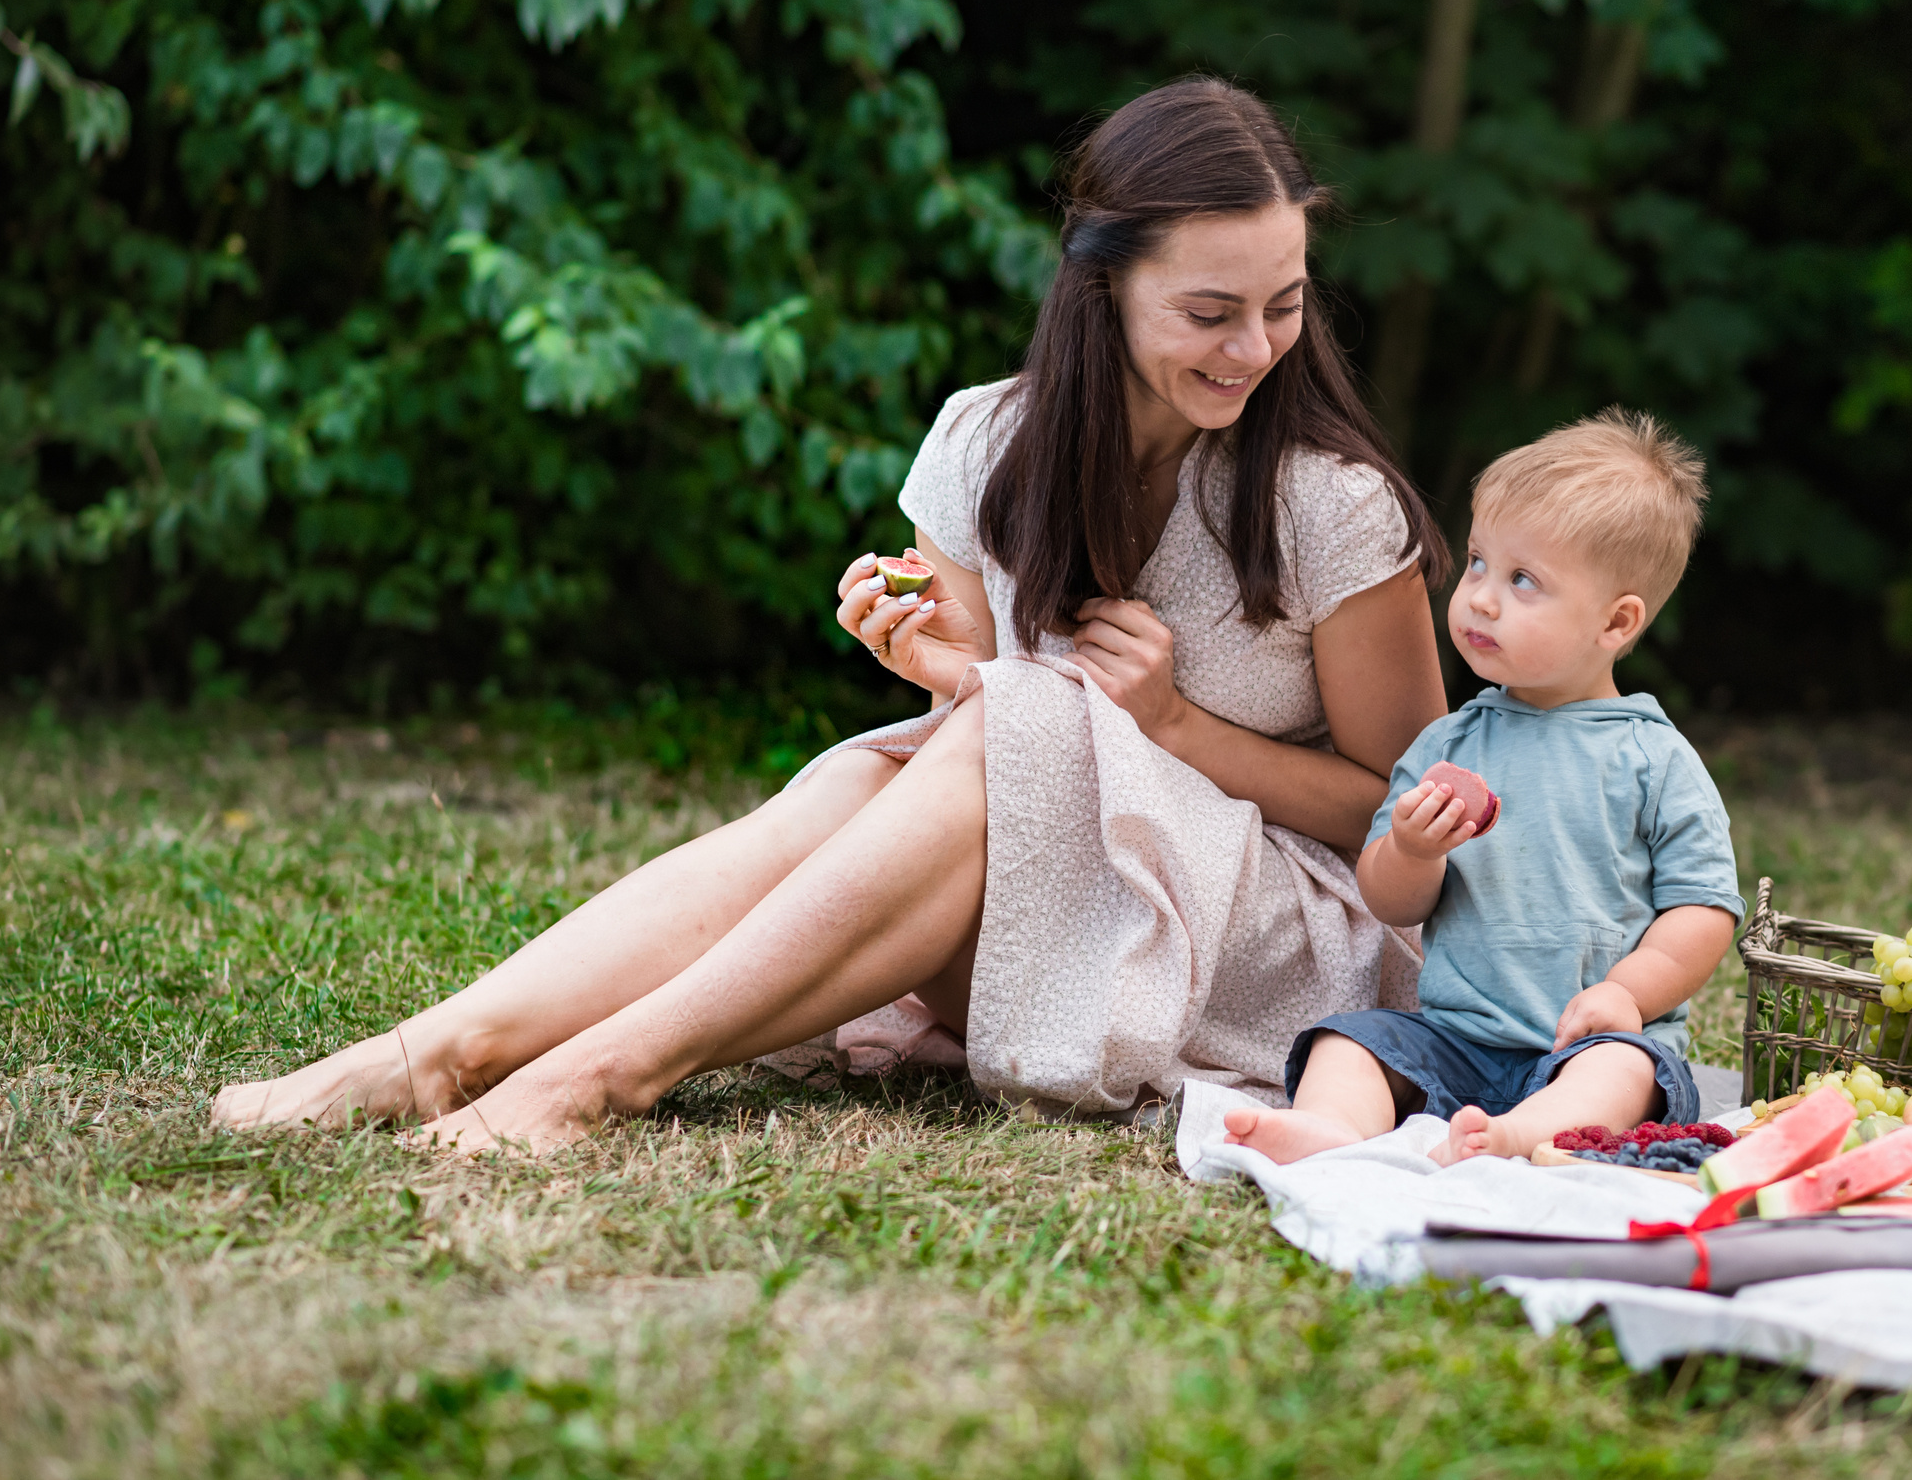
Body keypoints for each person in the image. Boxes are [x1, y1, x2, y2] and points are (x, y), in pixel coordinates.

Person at [209, 78, 1451, 1149]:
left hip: (1272, 952)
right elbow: (986, 759)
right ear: (1101, 286)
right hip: (1046, 917)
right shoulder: (984, 442)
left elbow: (1408, 815)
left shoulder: (1327, 505)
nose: (1254, 347)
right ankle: (443, 1048)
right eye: (1209, 310)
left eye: (1282, 303)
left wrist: (1176, 725)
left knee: (990, 730)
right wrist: (948, 668)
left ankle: (594, 1074)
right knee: (885, 773)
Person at [1222, 412, 1744, 1167]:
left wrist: (1628, 993)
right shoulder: (1448, 744)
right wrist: (1409, 848)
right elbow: (1393, 900)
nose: (1481, 598)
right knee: (1351, 1038)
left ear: (1616, 621)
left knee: (1626, 1073)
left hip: (1589, 1041)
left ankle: (1519, 1136)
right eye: (1477, 563)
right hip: (1456, 1038)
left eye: (1522, 580)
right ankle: (1334, 1130)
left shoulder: (1651, 757)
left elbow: (1703, 907)